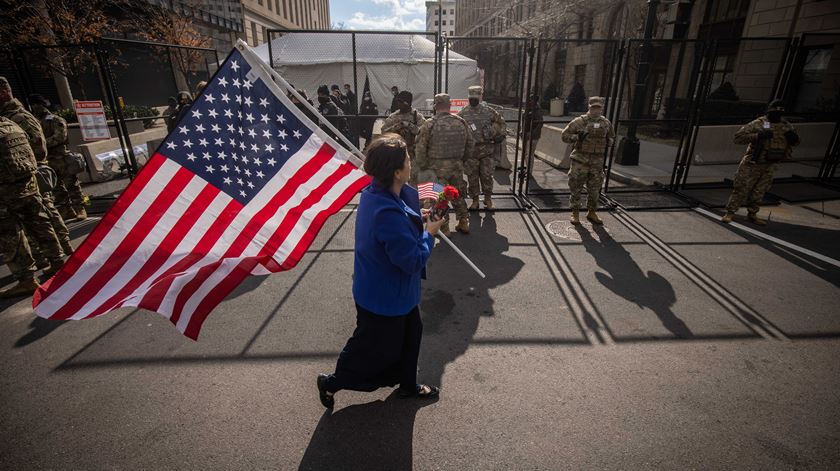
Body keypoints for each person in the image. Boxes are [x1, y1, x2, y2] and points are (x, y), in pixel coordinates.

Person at [317, 134, 443, 408]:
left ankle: (408, 386)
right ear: (397, 171)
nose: (411, 162)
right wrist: (430, 234)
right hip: (384, 298)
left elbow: (403, 220)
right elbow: (411, 260)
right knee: (371, 353)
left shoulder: (380, 192)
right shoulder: (385, 210)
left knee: (412, 335)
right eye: (407, 159)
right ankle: (331, 382)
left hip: (399, 294)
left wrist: (420, 219)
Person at [0, 79, 72, 259]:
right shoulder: (8, 117)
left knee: (43, 215)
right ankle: (50, 256)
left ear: (3, 93)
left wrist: (25, 167)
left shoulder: (21, 117)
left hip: (29, 175)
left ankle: (61, 251)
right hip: (17, 178)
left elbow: (39, 148)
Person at [0, 116, 65, 297]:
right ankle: (57, 261)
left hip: (4, 192)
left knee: (11, 235)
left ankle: (26, 280)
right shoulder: (10, 124)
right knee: (40, 223)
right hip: (28, 184)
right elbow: (36, 149)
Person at [721, 99, 799, 225]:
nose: (778, 113)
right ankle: (730, 213)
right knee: (741, 188)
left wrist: (793, 138)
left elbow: (795, 142)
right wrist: (758, 136)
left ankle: (752, 214)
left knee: (760, 190)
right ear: (770, 110)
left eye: (781, 110)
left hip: (770, 164)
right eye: (776, 110)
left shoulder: (786, 126)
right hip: (752, 163)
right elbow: (738, 137)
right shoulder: (759, 124)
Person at [415, 93, 473, 235]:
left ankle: (444, 227)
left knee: (439, 197)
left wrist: (423, 165)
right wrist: (462, 160)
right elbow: (470, 144)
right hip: (456, 165)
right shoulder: (461, 122)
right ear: (449, 105)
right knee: (458, 193)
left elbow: (421, 147)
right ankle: (464, 221)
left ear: (435, 106)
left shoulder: (429, 124)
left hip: (436, 168)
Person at [29, 94, 87, 221]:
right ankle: (67, 211)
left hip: (61, 158)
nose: (35, 107)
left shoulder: (55, 119)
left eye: (37, 104)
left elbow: (60, 137)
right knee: (57, 189)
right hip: (47, 160)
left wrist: (41, 144)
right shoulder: (34, 122)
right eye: (33, 105)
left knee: (72, 186)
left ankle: (80, 209)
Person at [561, 96, 615, 225]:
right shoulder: (579, 122)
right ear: (589, 107)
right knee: (576, 187)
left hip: (597, 162)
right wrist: (577, 137)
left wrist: (609, 142)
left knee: (595, 189)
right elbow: (564, 136)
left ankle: (592, 212)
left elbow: (612, 137)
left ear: (602, 108)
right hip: (580, 160)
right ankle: (575, 212)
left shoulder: (606, 123)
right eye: (594, 107)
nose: (596, 110)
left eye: (598, 107)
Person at [458, 85, 506, 210]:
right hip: (471, 152)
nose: (472, 101)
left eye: (475, 98)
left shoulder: (488, 111)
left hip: (487, 150)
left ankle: (488, 199)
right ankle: (475, 200)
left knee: (487, 176)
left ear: (479, 97)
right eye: (470, 98)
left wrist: (498, 133)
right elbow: (457, 128)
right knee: (472, 177)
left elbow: (501, 122)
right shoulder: (463, 112)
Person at [381, 90, 426, 183]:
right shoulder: (394, 116)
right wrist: (399, 126)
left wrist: (409, 126)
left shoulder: (417, 116)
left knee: (413, 179)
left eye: (401, 102)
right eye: (398, 102)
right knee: (396, 178)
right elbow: (384, 131)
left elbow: (423, 132)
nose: (398, 104)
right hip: (396, 152)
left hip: (413, 154)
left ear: (407, 103)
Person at [522, 93, 544, 168]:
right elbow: (524, 121)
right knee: (525, 154)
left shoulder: (537, 110)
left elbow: (540, 123)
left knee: (529, 154)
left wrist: (532, 133)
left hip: (533, 136)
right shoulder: (528, 109)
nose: (529, 101)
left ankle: (529, 172)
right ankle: (527, 169)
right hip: (526, 134)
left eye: (531, 100)